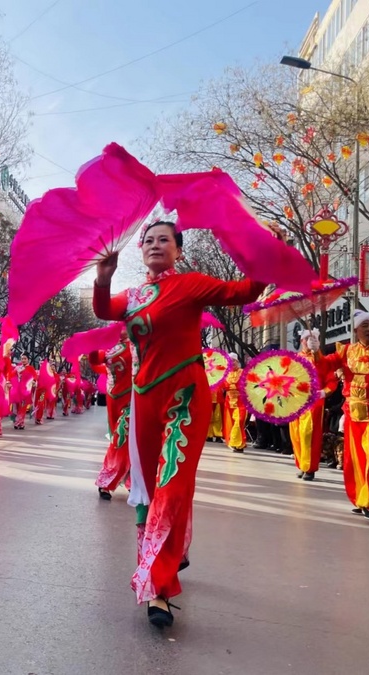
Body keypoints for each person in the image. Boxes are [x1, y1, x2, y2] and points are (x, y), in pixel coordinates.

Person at [93, 220, 264, 627]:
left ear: (178, 250)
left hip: (185, 397)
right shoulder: (132, 296)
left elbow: (244, 291)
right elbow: (103, 310)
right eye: (148, 240)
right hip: (143, 399)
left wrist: (263, 251)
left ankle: (158, 587)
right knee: (149, 489)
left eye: (164, 240)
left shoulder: (192, 284)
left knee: (172, 484)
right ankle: (168, 555)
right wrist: (103, 277)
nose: (155, 245)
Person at [322, 311, 369, 522]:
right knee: (356, 461)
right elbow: (324, 365)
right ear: (356, 329)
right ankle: (362, 498)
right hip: (354, 414)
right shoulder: (346, 351)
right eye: (365, 325)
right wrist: (315, 350)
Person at [289, 329, 338, 481]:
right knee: (296, 435)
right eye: (307, 339)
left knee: (308, 434)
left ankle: (309, 468)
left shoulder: (322, 360)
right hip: (295, 401)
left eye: (313, 338)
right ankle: (301, 464)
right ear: (301, 341)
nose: (309, 341)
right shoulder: (295, 359)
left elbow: (331, 381)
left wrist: (323, 392)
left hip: (313, 401)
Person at [89, 332, 133, 500]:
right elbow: (95, 362)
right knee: (120, 440)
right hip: (114, 403)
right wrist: (92, 343)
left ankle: (110, 482)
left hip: (135, 401)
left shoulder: (141, 345)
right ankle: (128, 482)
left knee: (124, 441)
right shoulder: (109, 350)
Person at [222, 352, 247, 453]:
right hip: (229, 403)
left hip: (241, 403)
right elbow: (222, 386)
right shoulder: (225, 374)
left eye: (233, 361)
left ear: (237, 361)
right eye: (230, 361)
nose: (232, 363)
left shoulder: (243, 372)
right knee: (231, 424)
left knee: (239, 421)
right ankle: (240, 445)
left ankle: (234, 442)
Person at [11, 355, 36, 429]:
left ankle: (20, 423)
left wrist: (34, 381)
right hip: (17, 390)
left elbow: (35, 376)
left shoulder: (31, 368)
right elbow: (11, 375)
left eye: (25, 358)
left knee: (23, 407)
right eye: (22, 359)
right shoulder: (18, 367)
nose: (23, 360)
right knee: (17, 407)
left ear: (28, 359)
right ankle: (18, 422)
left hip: (25, 391)